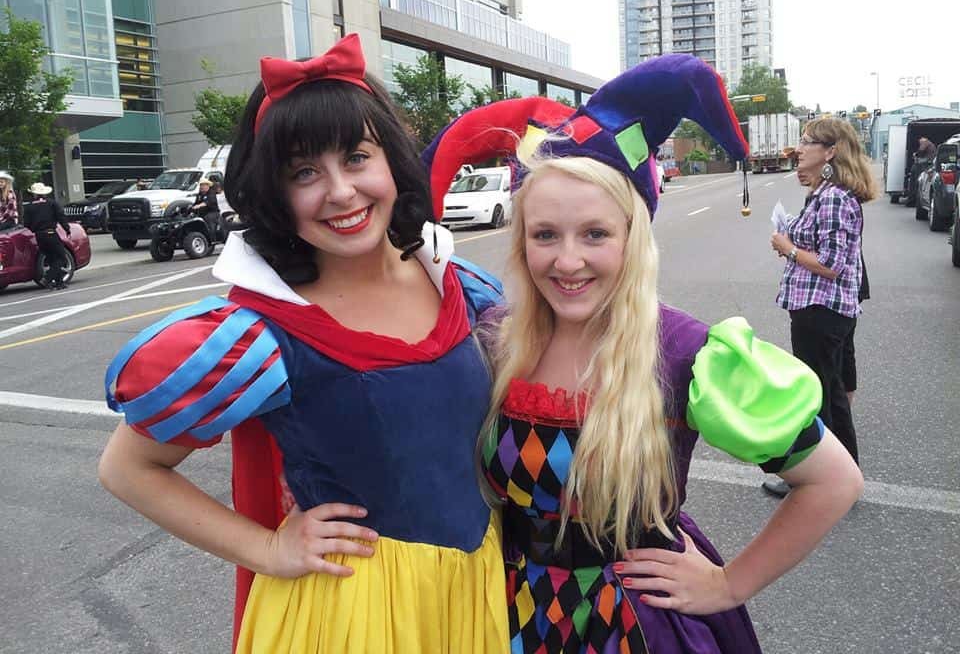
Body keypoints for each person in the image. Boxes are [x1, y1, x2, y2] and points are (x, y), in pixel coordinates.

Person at [422, 55, 864, 653]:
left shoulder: (686, 354)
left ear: (634, 237)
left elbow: (832, 481)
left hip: (634, 623)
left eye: (595, 234)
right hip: (504, 612)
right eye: (545, 234)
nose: (568, 261)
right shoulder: (495, 339)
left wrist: (729, 583)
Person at [98, 34, 509, 653]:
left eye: (356, 157)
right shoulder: (265, 333)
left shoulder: (461, 287)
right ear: (274, 193)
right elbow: (128, 468)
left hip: (477, 589)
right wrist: (266, 547)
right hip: (353, 613)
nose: (341, 191)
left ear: (391, 161)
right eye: (304, 172)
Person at [768, 118, 878, 497]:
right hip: (823, 309)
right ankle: (843, 475)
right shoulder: (827, 192)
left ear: (830, 151)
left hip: (821, 309)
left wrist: (789, 249)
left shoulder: (833, 197)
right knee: (829, 392)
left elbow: (830, 266)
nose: (800, 148)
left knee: (819, 396)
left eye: (807, 141)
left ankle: (827, 480)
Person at [22, 182, 71, 289]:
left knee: (52, 259)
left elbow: (26, 224)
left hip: (39, 236)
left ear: (34, 194)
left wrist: (36, 229)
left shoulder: (29, 207)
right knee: (61, 258)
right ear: (44, 193)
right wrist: (67, 229)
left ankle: (59, 283)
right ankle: (47, 278)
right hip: (51, 233)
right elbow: (61, 217)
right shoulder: (52, 203)